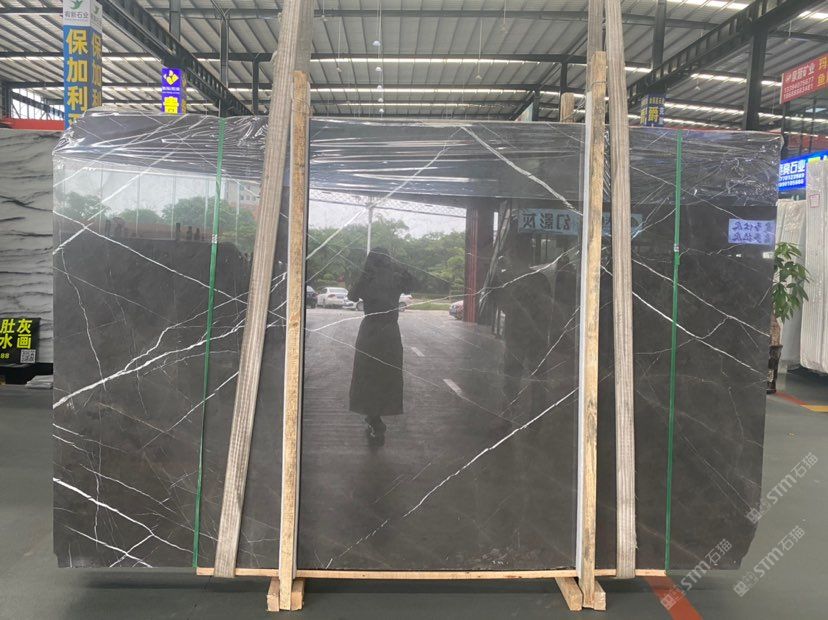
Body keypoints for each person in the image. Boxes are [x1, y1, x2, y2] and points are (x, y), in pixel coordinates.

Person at [348, 248, 414, 447]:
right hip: (390, 332)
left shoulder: (367, 278)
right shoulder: (396, 278)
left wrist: (364, 274)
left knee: (367, 375)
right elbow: (412, 285)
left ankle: (373, 416)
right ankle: (377, 415)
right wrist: (400, 267)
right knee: (387, 375)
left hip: (369, 331)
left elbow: (352, 296)